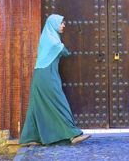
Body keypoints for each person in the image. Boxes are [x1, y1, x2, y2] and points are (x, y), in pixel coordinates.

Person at [19, 14, 91, 146]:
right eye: (61, 23)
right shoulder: (52, 41)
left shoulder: (48, 38)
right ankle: (73, 134)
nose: (63, 25)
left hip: (41, 75)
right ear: (53, 24)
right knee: (59, 103)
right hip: (47, 76)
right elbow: (65, 51)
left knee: (37, 105)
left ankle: (30, 138)